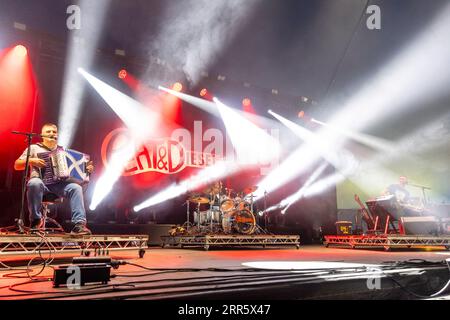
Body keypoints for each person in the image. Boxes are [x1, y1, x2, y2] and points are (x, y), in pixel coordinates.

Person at [14, 123, 93, 234]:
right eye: (48, 132)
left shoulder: (63, 151)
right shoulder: (33, 148)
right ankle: (36, 220)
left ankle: (79, 224)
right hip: (40, 183)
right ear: (42, 135)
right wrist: (32, 161)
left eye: (54, 132)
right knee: (34, 183)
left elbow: (76, 172)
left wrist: (86, 170)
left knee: (76, 188)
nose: (51, 134)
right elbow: (17, 165)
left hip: (59, 185)